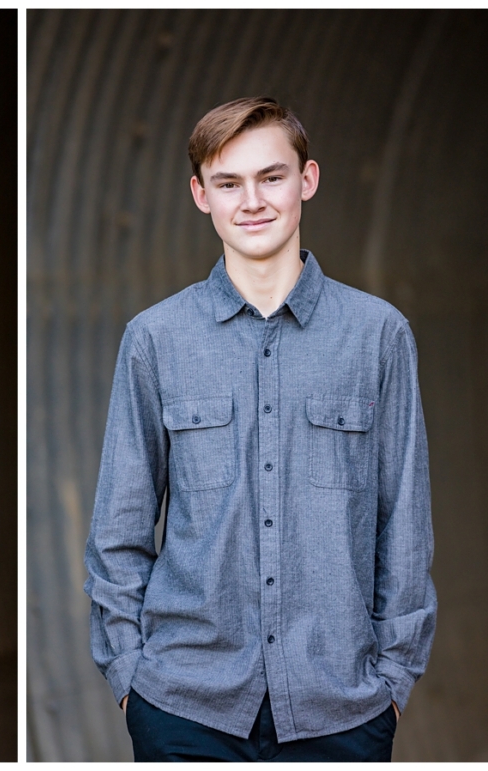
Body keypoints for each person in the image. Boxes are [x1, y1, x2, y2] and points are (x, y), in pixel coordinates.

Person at [84, 97, 436, 762]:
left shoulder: (378, 336)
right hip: (184, 708)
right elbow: (119, 529)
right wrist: (130, 672)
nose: (252, 201)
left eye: (271, 177)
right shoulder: (156, 339)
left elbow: (405, 523)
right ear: (200, 195)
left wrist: (392, 681)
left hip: (343, 710)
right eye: (228, 182)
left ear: (307, 180)